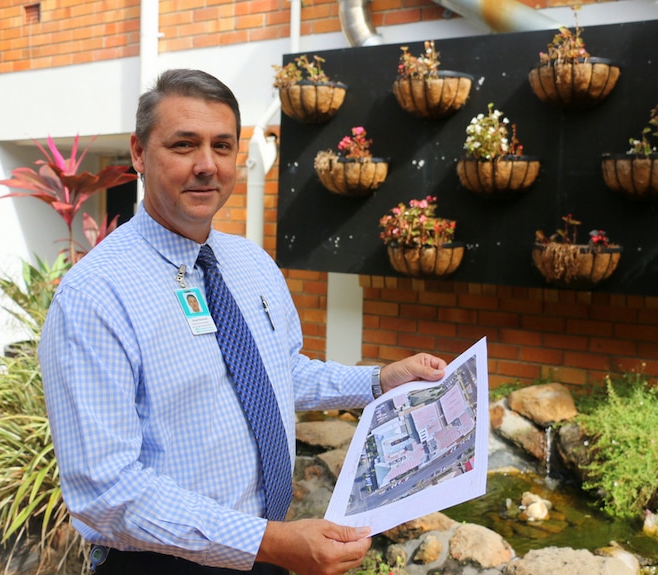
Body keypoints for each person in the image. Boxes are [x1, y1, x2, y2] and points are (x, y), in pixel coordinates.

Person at [39, 68, 447, 575]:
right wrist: (268, 542)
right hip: (162, 561)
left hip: (264, 548)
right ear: (139, 154)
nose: (207, 166)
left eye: (223, 146)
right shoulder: (95, 296)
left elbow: (281, 371)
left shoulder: (251, 264)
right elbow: (106, 490)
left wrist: (376, 381)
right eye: (184, 145)